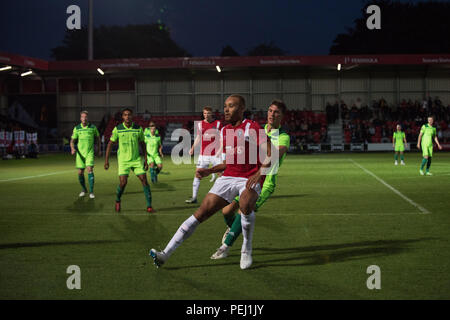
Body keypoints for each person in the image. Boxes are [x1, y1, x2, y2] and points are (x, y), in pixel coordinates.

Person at [150, 94, 273, 270]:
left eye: (231, 106)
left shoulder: (251, 127)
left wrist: (260, 172)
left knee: (245, 204)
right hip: (229, 176)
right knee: (201, 213)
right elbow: (228, 162)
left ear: (242, 108)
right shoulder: (224, 130)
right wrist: (209, 170)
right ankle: (165, 254)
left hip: (249, 177)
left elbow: (272, 153)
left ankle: (246, 249)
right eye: (225, 106)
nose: (226, 109)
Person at [211, 99, 290, 260]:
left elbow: (274, 155)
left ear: (282, 116)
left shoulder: (283, 136)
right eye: (270, 110)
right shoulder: (258, 130)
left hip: (265, 181)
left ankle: (226, 247)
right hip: (245, 177)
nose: (272, 114)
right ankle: (234, 227)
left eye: (276, 112)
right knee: (226, 211)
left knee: (243, 210)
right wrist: (228, 168)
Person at [104, 108, 153, 213]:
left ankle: (149, 206)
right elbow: (110, 144)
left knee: (144, 180)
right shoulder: (118, 129)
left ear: (132, 116)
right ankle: (117, 200)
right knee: (123, 183)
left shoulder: (138, 128)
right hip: (123, 161)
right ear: (122, 117)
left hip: (136, 160)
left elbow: (143, 144)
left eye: (129, 114)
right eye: (125, 115)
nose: (127, 117)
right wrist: (106, 160)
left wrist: (145, 159)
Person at [185, 106, 223, 204]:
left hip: (216, 154)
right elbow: (198, 137)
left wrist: (220, 150)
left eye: (208, 113)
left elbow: (222, 138)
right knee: (198, 173)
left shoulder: (218, 123)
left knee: (221, 175)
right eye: (204, 113)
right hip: (204, 154)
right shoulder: (200, 124)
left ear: (212, 114)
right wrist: (192, 148)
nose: (206, 115)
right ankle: (194, 197)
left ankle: (222, 197)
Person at [70, 111, 101, 198]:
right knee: (80, 173)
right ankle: (84, 189)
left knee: (89, 169)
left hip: (89, 153)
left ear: (87, 118)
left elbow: (98, 138)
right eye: (82, 117)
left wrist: (98, 149)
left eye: (85, 117)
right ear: (80, 118)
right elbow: (72, 141)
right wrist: (72, 148)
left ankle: (91, 192)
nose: (84, 119)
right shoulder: (77, 128)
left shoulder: (93, 127)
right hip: (80, 154)